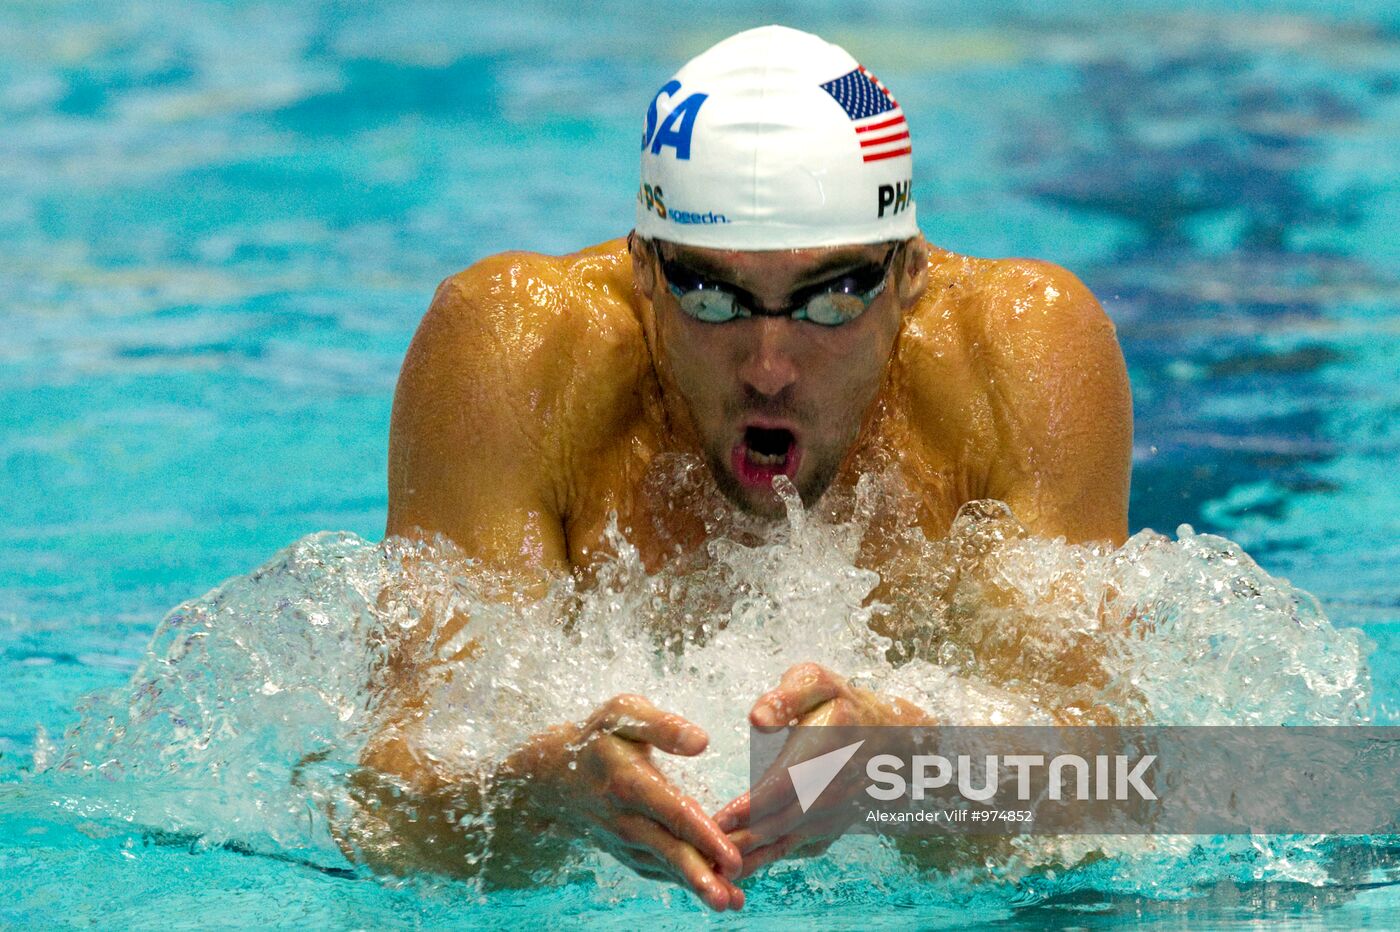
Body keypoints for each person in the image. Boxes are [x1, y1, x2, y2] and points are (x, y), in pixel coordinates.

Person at [347, 25, 1132, 912]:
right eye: (711, 297)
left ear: (910, 272)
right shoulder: (515, 360)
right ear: (645, 270)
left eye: (831, 299)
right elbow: (385, 813)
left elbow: (1125, 793)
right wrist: (538, 796)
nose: (768, 368)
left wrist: (913, 765)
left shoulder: (1017, 357)